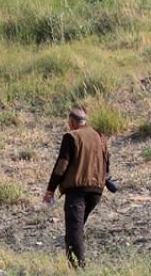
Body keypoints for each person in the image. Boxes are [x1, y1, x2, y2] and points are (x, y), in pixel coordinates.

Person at [42, 108, 109, 269]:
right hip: (96, 191)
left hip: (77, 190)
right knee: (75, 230)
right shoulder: (100, 137)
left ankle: (78, 269)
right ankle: (74, 265)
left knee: (74, 231)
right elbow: (107, 163)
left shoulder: (71, 136)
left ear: (71, 122)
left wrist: (50, 189)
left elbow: (61, 165)